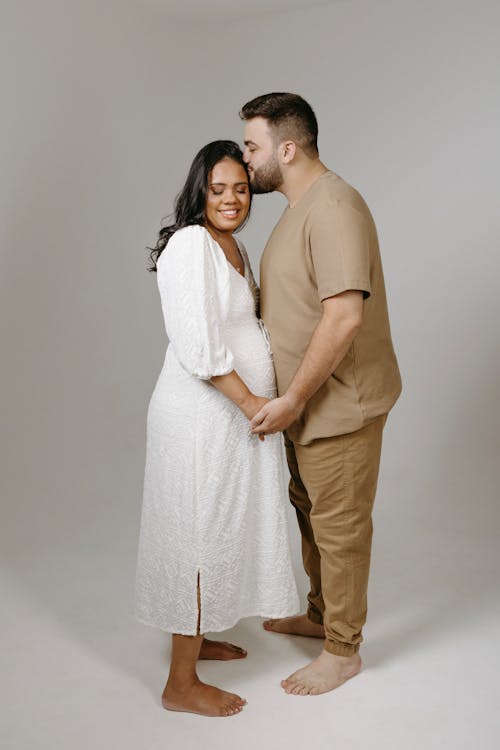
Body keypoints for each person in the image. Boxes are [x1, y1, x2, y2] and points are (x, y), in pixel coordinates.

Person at [240, 93, 402, 696]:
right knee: (311, 517)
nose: (246, 158)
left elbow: (343, 320)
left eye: (253, 146)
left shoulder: (334, 205)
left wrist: (292, 399)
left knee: (339, 528)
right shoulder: (297, 207)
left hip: (336, 406)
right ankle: (319, 615)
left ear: (288, 147)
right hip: (306, 409)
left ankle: (343, 650)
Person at [134, 140, 299, 717]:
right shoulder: (190, 244)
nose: (232, 198)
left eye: (241, 188)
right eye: (218, 188)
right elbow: (198, 348)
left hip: (226, 419)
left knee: (219, 529)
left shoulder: (230, 245)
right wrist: (255, 400)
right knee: (196, 536)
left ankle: (196, 638)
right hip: (200, 418)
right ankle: (180, 683)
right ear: (199, 191)